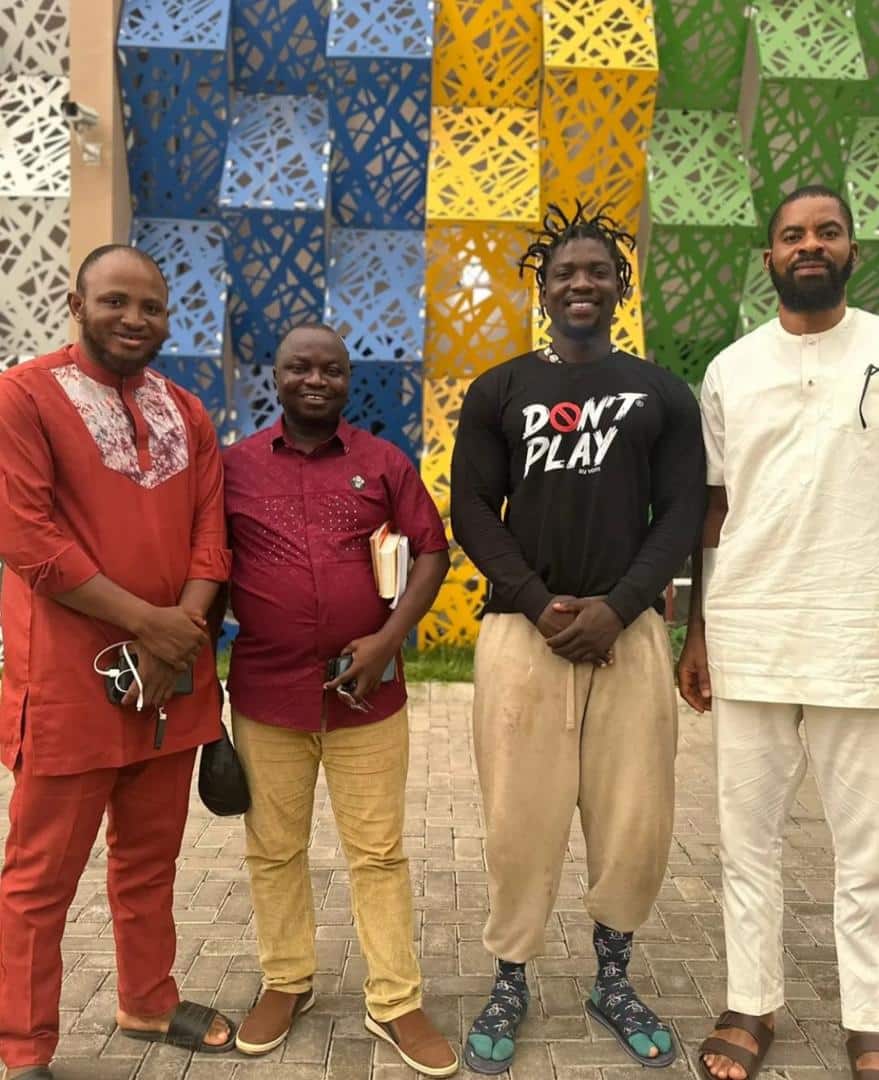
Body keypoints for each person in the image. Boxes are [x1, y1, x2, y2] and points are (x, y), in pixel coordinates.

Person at [450, 202, 706, 1074]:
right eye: (564, 272)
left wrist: (621, 605)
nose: (580, 283)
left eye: (597, 270)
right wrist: (535, 602)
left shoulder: (660, 392)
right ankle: (509, 980)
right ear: (543, 287)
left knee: (635, 818)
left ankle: (612, 981)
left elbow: (680, 512)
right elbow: (472, 508)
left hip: (627, 635)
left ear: (619, 286)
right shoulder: (499, 389)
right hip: (523, 635)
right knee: (517, 820)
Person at [0, 245, 235, 1080]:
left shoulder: (187, 410)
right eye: (115, 302)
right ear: (77, 303)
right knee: (39, 878)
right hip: (70, 684)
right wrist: (153, 627)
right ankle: (22, 1047)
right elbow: (27, 538)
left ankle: (147, 1000)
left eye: (151, 307)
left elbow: (211, 535)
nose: (134, 319)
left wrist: (179, 635)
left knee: (150, 858)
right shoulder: (22, 396)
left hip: (171, 681)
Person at [678, 184, 879, 1080]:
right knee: (746, 840)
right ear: (767, 258)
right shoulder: (730, 369)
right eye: (792, 235)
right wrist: (695, 633)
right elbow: (713, 509)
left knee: (865, 849)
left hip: (858, 630)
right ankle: (749, 1002)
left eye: (826, 232)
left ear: (851, 250)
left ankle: (868, 1016)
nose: (809, 245)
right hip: (749, 627)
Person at [223, 324, 458, 1077]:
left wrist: (387, 641)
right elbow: (206, 564)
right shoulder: (234, 468)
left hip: (367, 697)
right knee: (273, 850)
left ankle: (394, 1000)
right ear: (277, 377)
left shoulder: (383, 463)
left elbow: (432, 550)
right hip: (267, 694)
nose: (315, 380)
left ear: (348, 380)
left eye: (330, 369)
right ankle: (286, 980)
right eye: (300, 367)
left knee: (378, 853)